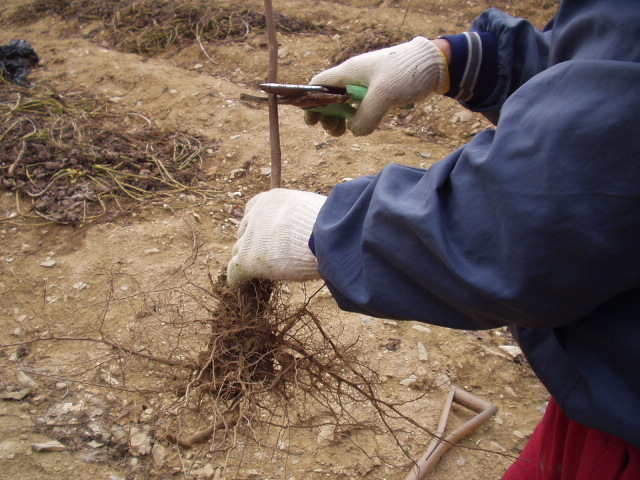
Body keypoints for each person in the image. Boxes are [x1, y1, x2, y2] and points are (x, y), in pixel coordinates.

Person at [227, 0, 640, 478]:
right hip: (605, 385)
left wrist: (324, 230)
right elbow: (599, 65)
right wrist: (457, 60)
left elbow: (534, 228)